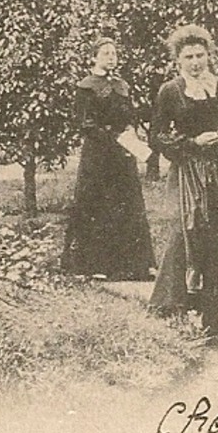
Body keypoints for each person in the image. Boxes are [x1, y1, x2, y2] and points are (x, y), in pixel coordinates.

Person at [148, 25, 218, 335]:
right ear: (178, 60)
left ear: (210, 55)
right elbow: (157, 136)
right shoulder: (171, 91)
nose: (195, 62)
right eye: (188, 57)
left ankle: (212, 312)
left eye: (200, 55)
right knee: (187, 235)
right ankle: (174, 307)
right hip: (189, 172)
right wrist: (191, 144)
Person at [62, 36, 155, 281]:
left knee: (126, 202)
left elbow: (130, 115)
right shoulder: (86, 86)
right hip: (99, 154)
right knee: (97, 203)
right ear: (93, 57)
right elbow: (86, 124)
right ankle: (93, 265)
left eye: (113, 53)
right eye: (105, 53)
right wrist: (112, 138)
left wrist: (131, 132)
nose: (110, 57)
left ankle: (133, 265)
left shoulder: (122, 85)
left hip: (123, 154)